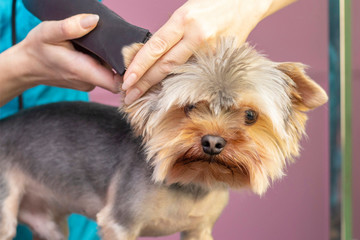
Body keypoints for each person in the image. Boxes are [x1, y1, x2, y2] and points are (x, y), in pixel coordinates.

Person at [0, 0, 295, 238]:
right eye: (191, 108)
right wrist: (18, 69)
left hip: (78, 195)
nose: (214, 137)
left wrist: (246, 4)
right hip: (22, 154)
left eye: (249, 116)